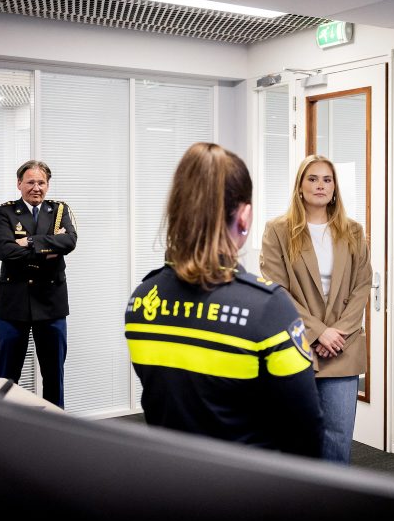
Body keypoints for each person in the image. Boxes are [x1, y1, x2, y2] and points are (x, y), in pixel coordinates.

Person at [125, 142, 323, 458]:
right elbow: (306, 431)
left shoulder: (141, 301)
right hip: (249, 485)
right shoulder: (267, 308)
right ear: (244, 217)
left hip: (165, 481)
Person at [259, 154, 372, 464]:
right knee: (295, 438)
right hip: (297, 344)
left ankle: (331, 496)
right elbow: (276, 288)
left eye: (327, 179)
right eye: (312, 178)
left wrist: (338, 333)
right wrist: (319, 332)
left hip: (342, 346)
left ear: (334, 188)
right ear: (300, 186)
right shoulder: (278, 230)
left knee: (337, 438)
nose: (320, 185)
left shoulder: (353, 231)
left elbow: (362, 284)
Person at [0, 160, 77, 408]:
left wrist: (28, 242)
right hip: (14, 304)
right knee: (7, 376)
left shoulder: (59, 210)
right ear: (19, 183)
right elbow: (5, 251)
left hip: (51, 304)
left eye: (41, 182)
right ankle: (2, 423)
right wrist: (49, 246)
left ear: (48, 185)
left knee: (53, 375)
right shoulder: (4, 212)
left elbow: (69, 242)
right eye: (30, 182)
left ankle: (55, 425)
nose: (36, 188)